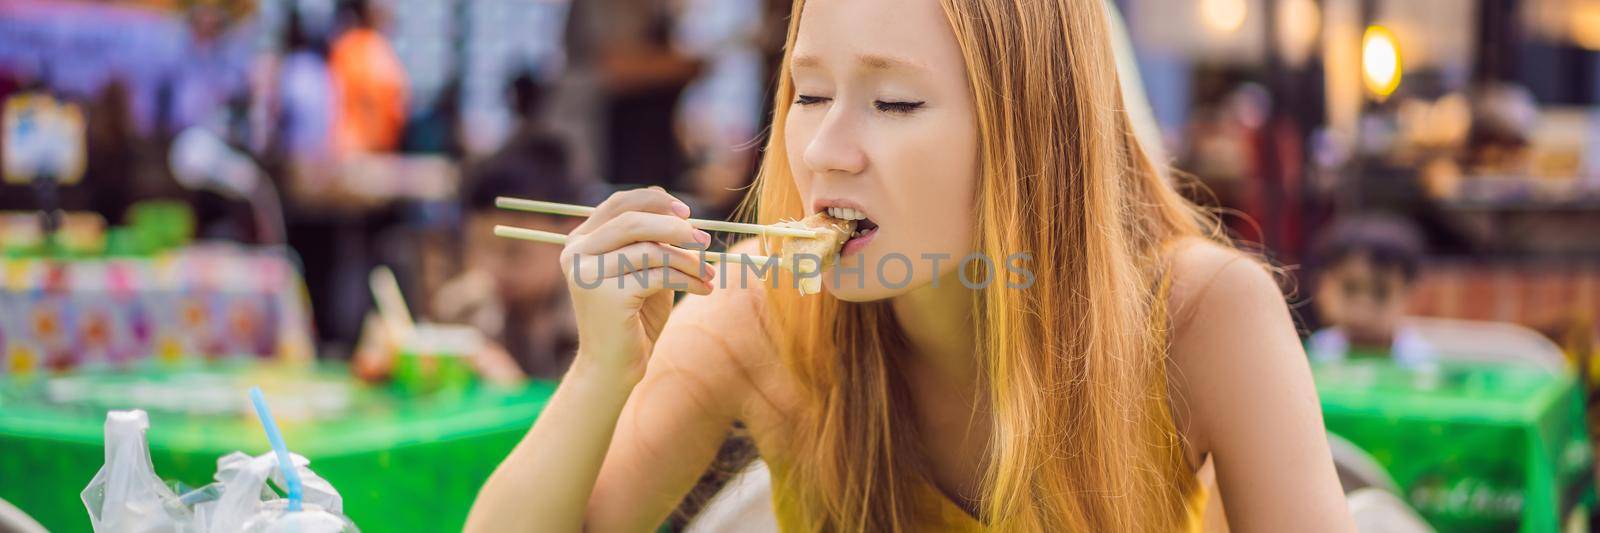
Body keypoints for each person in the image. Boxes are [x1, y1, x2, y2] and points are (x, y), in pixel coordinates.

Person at [467, 0, 1353, 531]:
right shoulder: (751, 317)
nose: (824, 149)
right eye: (807, 94)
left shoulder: (1203, 315)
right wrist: (600, 370)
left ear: (1031, 136)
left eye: (893, 101)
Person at [354, 133, 590, 383]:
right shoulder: (467, 309)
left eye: (514, 251)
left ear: (571, 233)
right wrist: (394, 356)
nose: (492, 268)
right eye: (479, 247)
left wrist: (514, 389)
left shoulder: (597, 318)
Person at [1306, 216, 1435, 366]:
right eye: (1350, 289)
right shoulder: (1318, 350)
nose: (1362, 310)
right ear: (1322, 287)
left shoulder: (1419, 363)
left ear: (1411, 295)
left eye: (1381, 292)